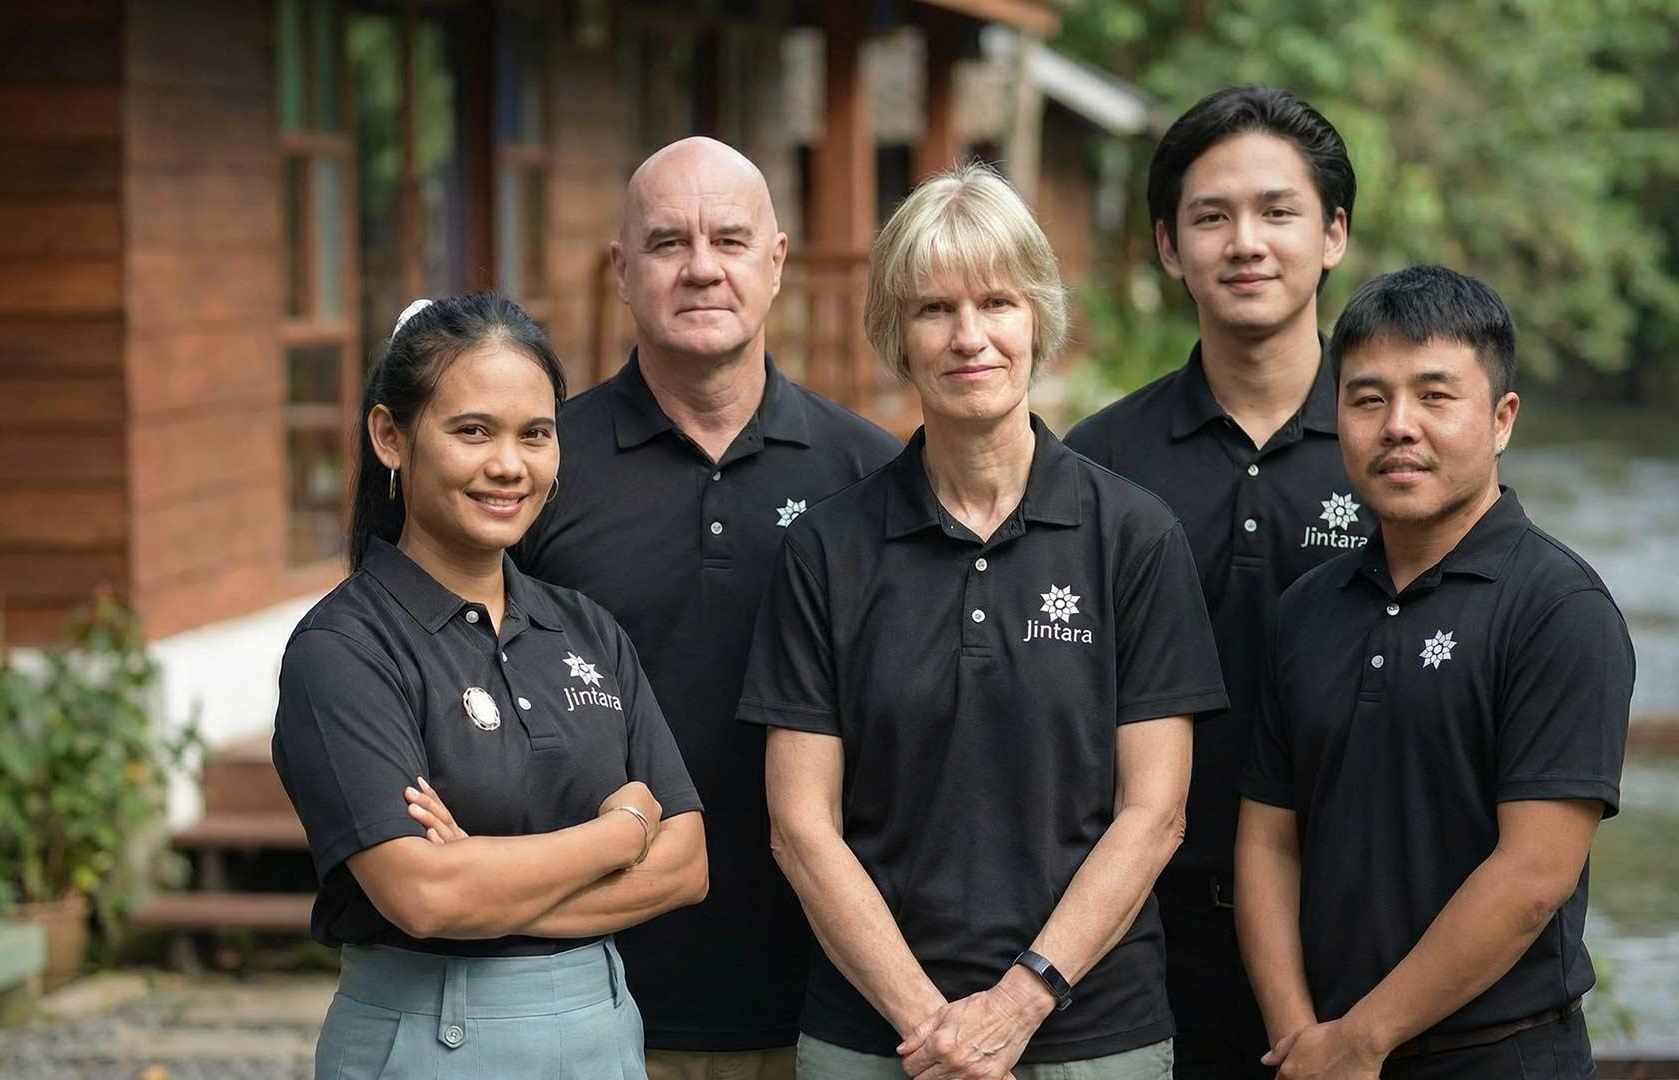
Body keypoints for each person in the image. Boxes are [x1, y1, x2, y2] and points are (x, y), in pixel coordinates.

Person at [738, 162, 1227, 1080]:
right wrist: (937, 1029)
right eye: (933, 310)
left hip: (1090, 1027)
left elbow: (1154, 813)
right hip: (877, 1034)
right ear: (896, 335)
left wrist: (1018, 1002)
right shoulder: (829, 550)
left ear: (1037, 317)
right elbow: (801, 824)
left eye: (997, 302)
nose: (971, 337)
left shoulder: (1131, 536)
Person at [515, 136, 900, 1080]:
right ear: (620, 270)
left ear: (776, 261)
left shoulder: (872, 475)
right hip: (590, 996)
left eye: (729, 239)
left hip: (828, 1002)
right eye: (666, 243)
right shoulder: (540, 469)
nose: (700, 268)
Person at [271, 292, 709, 1079]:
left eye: (535, 435)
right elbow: (426, 897)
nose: (509, 464)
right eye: (473, 431)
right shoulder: (343, 649)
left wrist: (486, 881)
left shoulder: (585, 630)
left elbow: (687, 864)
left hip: (602, 1029)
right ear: (390, 437)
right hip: (433, 1034)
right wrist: (619, 835)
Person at [1237, 266, 1632, 1078]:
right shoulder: (1307, 609)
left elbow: (1533, 875)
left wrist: (1361, 1039)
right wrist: (1303, 1037)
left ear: (1501, 418)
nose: (1398, 426)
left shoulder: (1558, 608)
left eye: (1436, 396)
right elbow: (1270, 840)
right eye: (1368, 398)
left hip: (1501, 1055)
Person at [1064, 86, 1371, 1079]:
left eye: (1278, 212)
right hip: (1144, 938)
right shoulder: (1096, 465)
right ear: (1167, 247)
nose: (1246, 242)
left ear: (1331, 235)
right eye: (1211, 217)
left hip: (1362, 926)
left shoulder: (1399, 451)